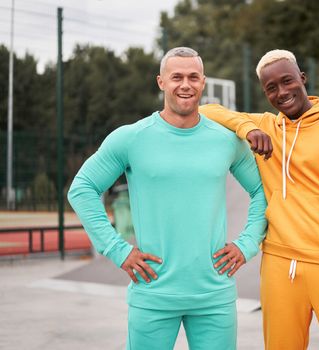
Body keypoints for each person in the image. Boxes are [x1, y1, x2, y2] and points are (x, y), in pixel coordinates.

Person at [68, 47, 267, 350]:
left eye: (193, 77)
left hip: (214, 295)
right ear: (161, 81)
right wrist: (117, 249)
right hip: (153, 293)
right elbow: (82, 189)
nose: (185, 85)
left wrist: (247, 244)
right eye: (176, 77)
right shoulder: (131, 138)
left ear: (203, 83)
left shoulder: (226, 141)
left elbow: (261, 192)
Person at [200, 49, 319, 349]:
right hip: (279, 266)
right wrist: (247, 127)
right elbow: (206, 111)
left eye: (287, 81)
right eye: (271, 87)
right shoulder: (267, 126)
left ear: (302, 78)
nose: (282, 92)